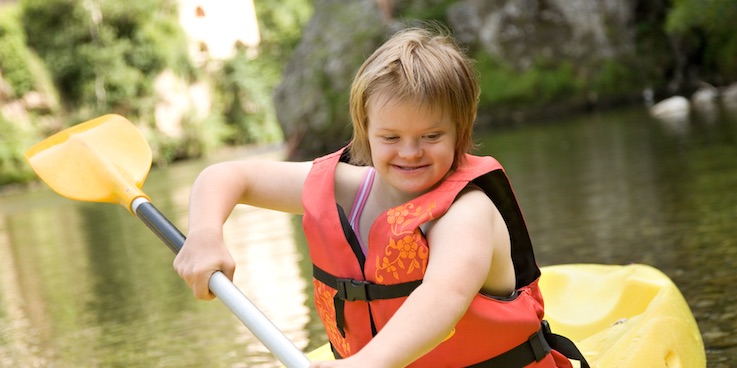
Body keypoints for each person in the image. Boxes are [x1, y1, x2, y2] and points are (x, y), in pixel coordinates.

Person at [174, 25, 584, 368]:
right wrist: (205, 233)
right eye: (391, 137)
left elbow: (443, 301)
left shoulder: (467, 212)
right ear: (365, 131)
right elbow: (228, 175)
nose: (410, 152)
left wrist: (361, 365)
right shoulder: (350, 189)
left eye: (431, 136)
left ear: (461, 130)